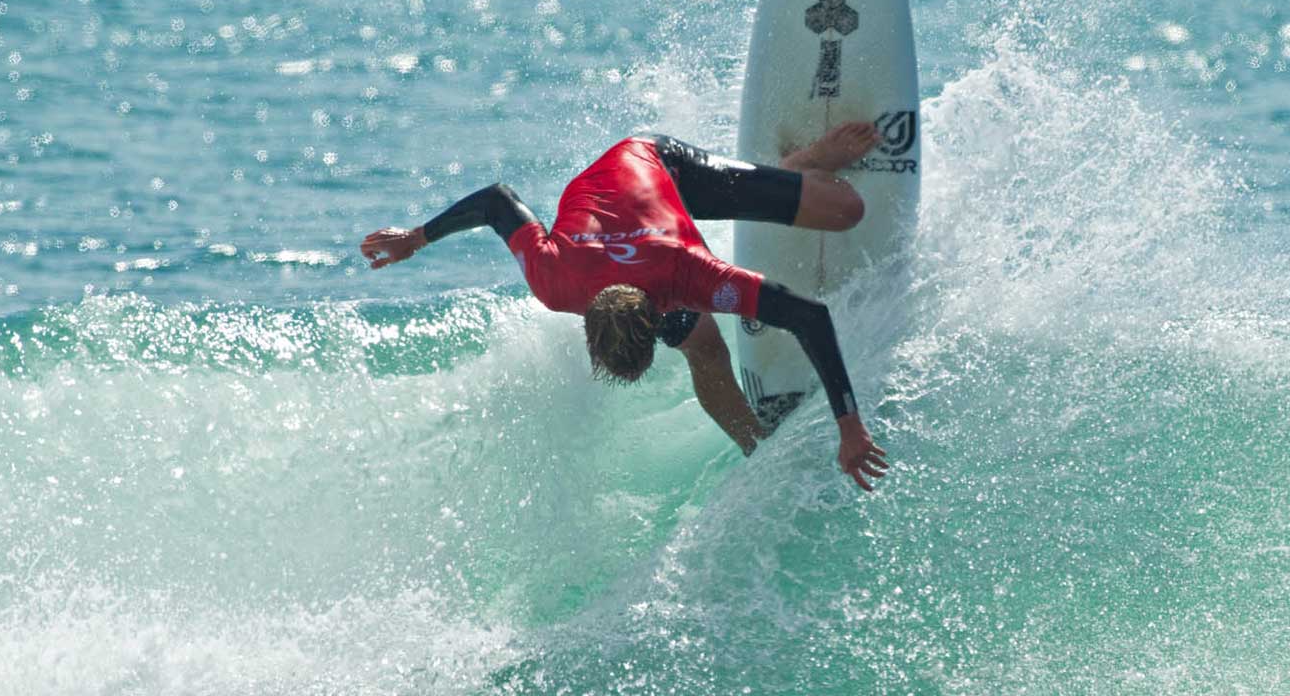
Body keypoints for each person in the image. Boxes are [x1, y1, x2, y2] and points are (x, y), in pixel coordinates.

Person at [358, 122, 891, 491]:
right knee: (701, 345)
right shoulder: (555, 280)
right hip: (613, 206)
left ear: (659, 309)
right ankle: (758, 449)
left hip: (657, 165)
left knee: (847, 209)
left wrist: (851, 427)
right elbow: (497, 200)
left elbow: (808, 316)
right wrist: (417, 238)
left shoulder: (690, 275)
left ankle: (799, 165)